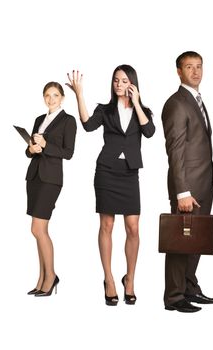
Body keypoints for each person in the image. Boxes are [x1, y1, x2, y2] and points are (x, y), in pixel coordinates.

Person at [66, 65, 155, 306]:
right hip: (106, 172)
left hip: (129, 173)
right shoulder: (105, 110)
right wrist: (79, 94)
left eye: (124, 80)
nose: (118, 84)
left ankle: (131, 280)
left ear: (132, 83)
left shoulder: (142, 111)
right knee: (106, 224)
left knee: (133, 227)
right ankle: (109, 279)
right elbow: (87, 125)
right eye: (116, 80)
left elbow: (149, 132)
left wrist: (136, 102)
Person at [161, 51, 213, 313]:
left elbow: (198, 142)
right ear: (179, 71)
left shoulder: (196, 99)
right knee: (179, 241)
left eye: (199, 66)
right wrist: (182, 191)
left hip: (204, 181)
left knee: (196, 241)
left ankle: (189, 288)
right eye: (189, 67)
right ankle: (174, 298)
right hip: (188, 186)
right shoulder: (176, 103)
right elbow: (175, 151)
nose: (196, 72)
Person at [25, 82, 77, 297]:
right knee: (40, 231)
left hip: (51, 179)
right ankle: (41, 278)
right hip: (34, 176)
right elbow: (30, 152)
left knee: (37, 229)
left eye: (55, 95)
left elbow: (68, 152)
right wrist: (32, 148)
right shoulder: (39, 119)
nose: (51, 99)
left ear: (62, 97)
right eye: (47, 95)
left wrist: (46, 145)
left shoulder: (68, 121)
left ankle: (51, 276)